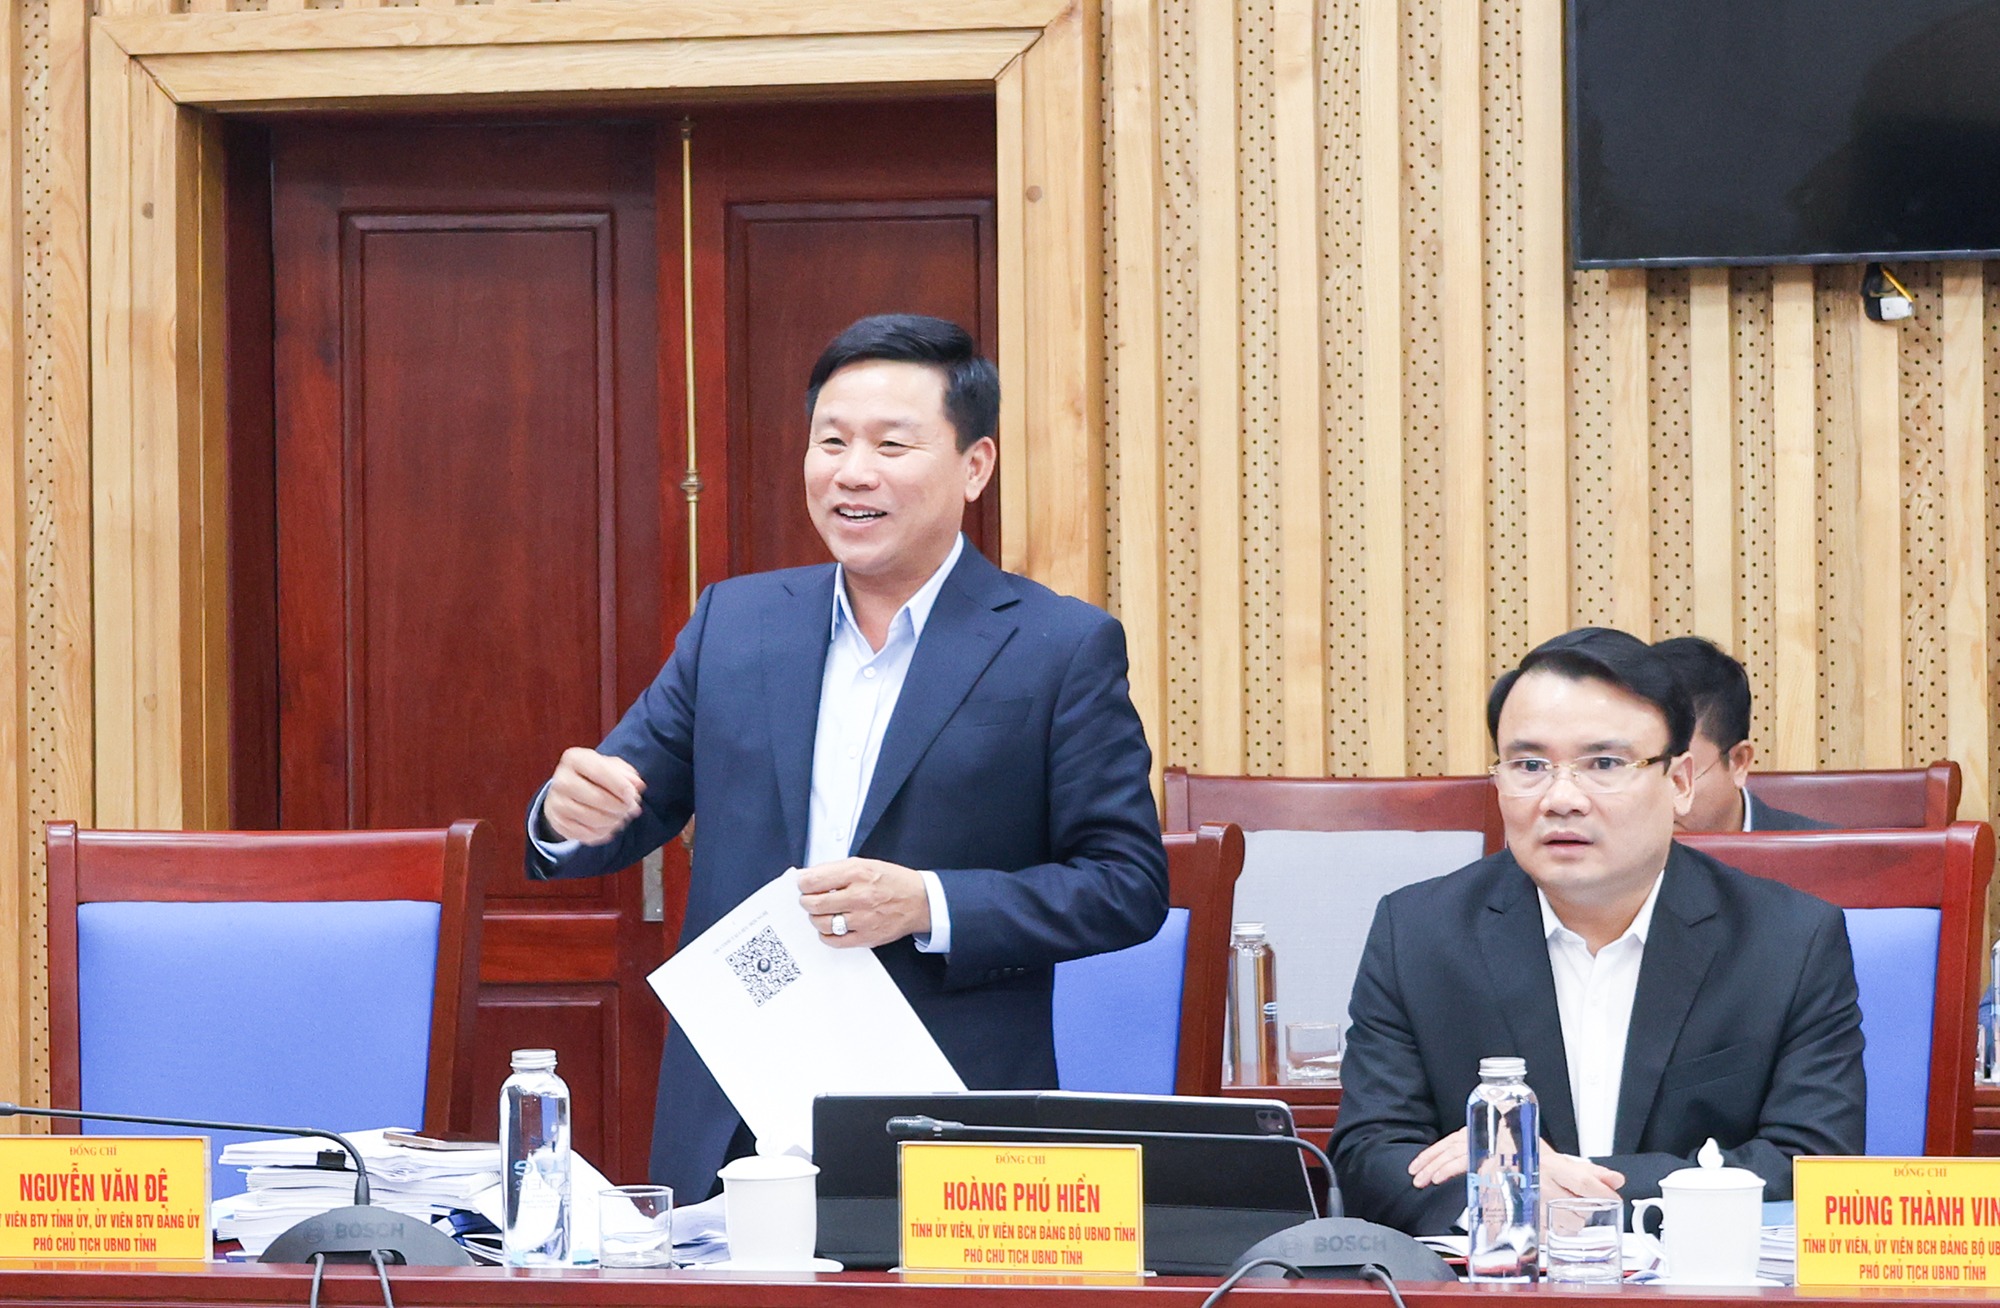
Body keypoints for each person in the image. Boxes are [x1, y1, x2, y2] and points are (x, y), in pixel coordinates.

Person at [525, 314, 1169, 1200]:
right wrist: (566, 816)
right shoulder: (736, 624)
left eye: (891, 445)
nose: (852, 472)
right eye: (831, 442)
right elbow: (622, 804)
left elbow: (1127, 885)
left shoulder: (1058, 647)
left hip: (950, 1114)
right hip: (735, 1117)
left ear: (974, 466)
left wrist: (927, 902)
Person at [1330, 627, 1865, 1236]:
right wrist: (1511, 1202)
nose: (1562, 798)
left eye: (1604, 764)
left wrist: (1539, 1186)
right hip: (1495, 1280)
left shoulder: (1788, 940)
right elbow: (1369, 1159)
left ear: (1679, 782)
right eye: (1529, 765)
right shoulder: (1418, 934)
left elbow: (1813, 1163)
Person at [1651, 635, 1832, 832]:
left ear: (1738, 762)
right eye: (1638, 772)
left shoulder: (1821, 850)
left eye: (1677, 777)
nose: (1655, 801)